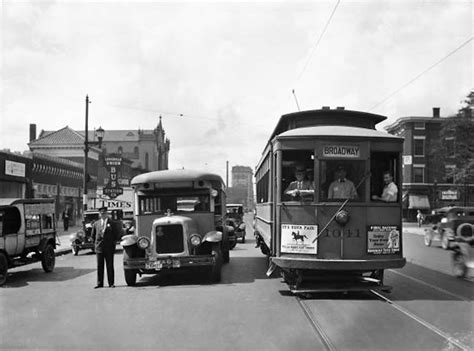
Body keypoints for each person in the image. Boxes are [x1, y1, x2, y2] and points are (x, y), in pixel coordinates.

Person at [92, 207, 120, 288]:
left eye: (104, 213)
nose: (103, 215)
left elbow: (116, 234)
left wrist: (112, 243)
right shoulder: (96, 224)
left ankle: (111, 283)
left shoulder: (112, 223)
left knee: (109, 266)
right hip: (99, 248)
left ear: (107, 214)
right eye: (101, 213)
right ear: (99, 214)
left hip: (109, 248)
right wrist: (96, 244)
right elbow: (93, 235)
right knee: (99, 266)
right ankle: (100, 283)